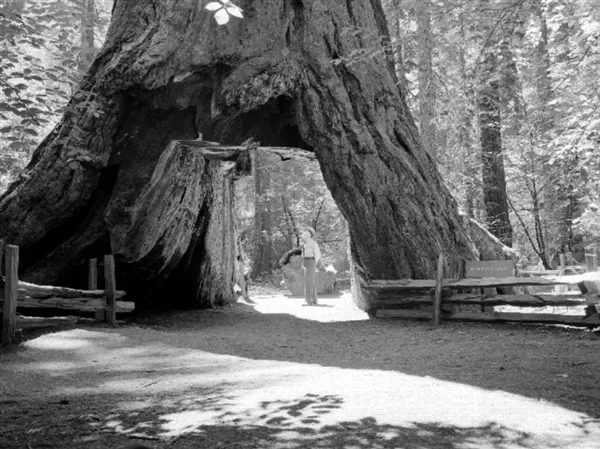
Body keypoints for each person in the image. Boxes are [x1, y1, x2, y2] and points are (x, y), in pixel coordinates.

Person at [300, 227, 322, 305]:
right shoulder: (304, 244)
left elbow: (318, 254)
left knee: (309, 282)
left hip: (311, 261)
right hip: (306, 261)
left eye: (306, 234)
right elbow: (303, 254)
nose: (303, 236)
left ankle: (308, 301)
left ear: (309, 235)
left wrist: (315, 263)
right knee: (310, 282)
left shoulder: (313, 243)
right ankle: (314, 300)